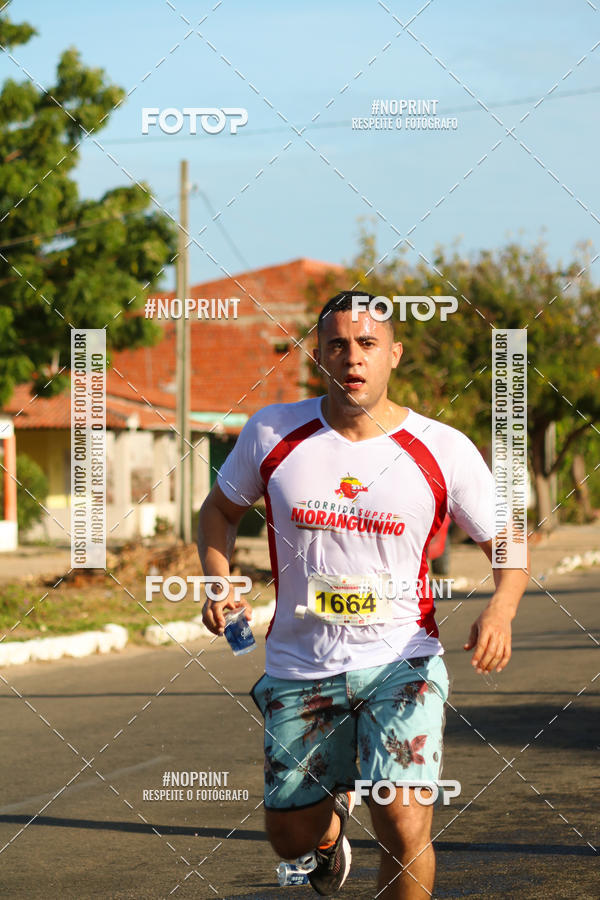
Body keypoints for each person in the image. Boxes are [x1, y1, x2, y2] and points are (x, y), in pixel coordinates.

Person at [198, 291, 530, 898]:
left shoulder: (443, 448)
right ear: (318, 356)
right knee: (288, 837)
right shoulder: (273, 431)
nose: (353, 357)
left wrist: (501, 610)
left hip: (403, 660)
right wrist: (220, 582)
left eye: (368, 345)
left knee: (403, 821)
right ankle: (325, 838)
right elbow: (218, 510)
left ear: (394, 355)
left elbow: (506, 541)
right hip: (301, 666)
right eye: (337, 346)